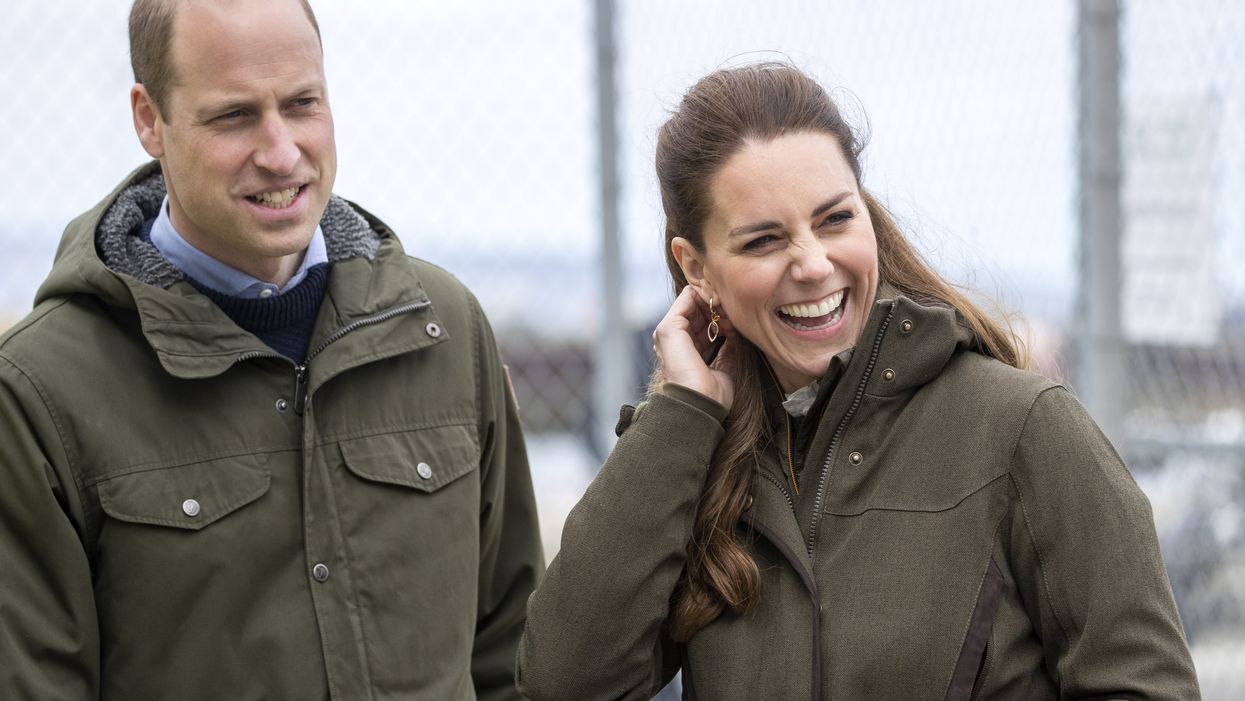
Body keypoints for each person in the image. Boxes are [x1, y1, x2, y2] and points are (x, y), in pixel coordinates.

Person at [517, 63, 1199, 700]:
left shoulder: (1022, 426)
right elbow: (565, 680)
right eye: (763, 240)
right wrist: (680, 413)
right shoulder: (691, 454)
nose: (813, 264)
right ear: (695, 269)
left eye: (834, 218)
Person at [0, 0, 543, 698]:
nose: (282, 152)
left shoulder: (445, 328)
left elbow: (515, 653)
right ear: (148, 119)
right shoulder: (39, 392)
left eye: (301, 103)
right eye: (233, 115)